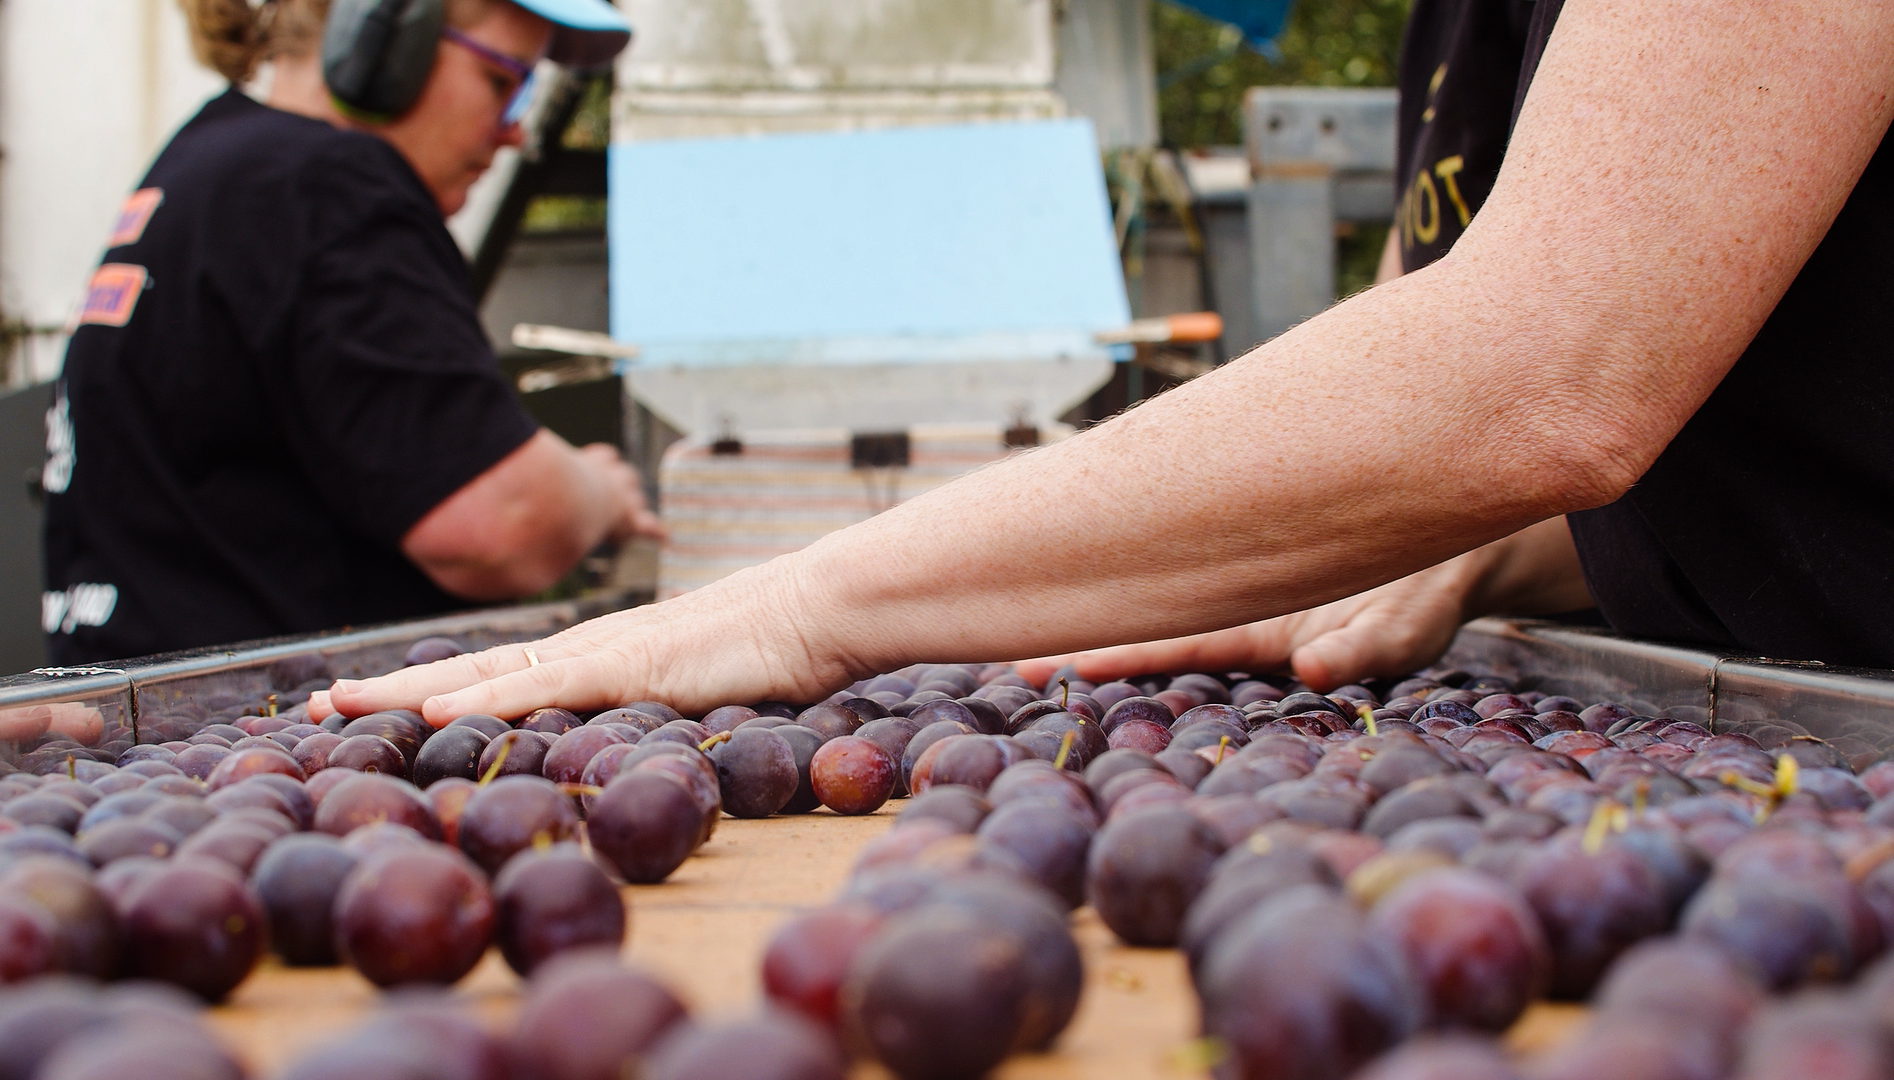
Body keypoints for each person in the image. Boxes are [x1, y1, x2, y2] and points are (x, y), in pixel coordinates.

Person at [325, 0, 1894, 725]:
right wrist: (1477, 549)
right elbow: (1542, 424)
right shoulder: (1465, 28)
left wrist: (806, 604)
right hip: (1747, 721)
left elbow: (1551, 375)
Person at [41, 0, 663, 665]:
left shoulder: (212, 162)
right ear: (387, 40)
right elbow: (500, 526)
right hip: (264, 733)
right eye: (505, 84)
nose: (514, 134)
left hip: (148, 715)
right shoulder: (328, 189)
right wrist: (601, 493)